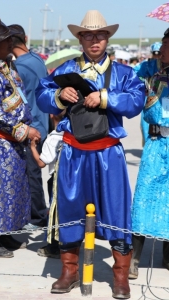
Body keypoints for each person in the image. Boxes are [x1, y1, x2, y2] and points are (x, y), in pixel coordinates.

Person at [36, 10, 145, 299]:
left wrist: (107, 97)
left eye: (99, 35)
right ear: (80, 38)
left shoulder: (124, 72)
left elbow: (136, 101)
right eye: (88, 35)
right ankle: (69, 271)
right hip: (73, 151)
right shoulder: (65, 69)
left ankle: (120, 277)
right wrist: (60, 96)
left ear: (107, 37)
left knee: (116, 209)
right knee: (71, 208)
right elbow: (41, 95)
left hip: (109, 152)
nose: (94, 40)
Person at [0, 17, 41, 258]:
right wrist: (23, 130)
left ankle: (7, 232)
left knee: (14, 185)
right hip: (0, 139)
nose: (10, 44)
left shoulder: (8, 66)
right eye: (5, 41)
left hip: (14, 139)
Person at [130, 31, 169, 280]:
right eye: (163, 44)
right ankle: (133, 258)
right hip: (155, 144)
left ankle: (167, 255)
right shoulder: (150, 72)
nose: (161, 49)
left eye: (165, 45)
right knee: (143, 197)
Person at [8, 24, 49, 229]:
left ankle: (38, 217)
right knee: (33, 173)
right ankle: (38, 214)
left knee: (31, 173)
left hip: (31, 126)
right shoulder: (37, 60)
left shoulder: (19, 68)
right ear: (25, 37)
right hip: (42, 121)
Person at [30, 112, 65, 259]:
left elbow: (41, 163)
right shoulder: (72, 134)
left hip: (56, 179)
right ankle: (68, 245)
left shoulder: (53, 137)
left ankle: (53, 247)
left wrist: (32, 147)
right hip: (70, 179)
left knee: (54, 212)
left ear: (51, 115)